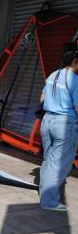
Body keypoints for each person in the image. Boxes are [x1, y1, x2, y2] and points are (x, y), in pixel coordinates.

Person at [39, 43, 78, 212]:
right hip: (65, 124)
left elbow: (42, 99)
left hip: (47, 121)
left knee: (49, 160)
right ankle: (49, 202)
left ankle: (44, 194)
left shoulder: (53, 75)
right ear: (75, 61)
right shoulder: (75, 80)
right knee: (59, 164)